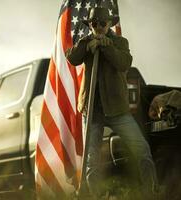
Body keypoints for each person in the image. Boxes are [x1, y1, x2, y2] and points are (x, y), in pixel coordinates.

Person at [65, 7, 158, 200]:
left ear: (109, 24)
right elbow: (72, 57)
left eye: (102, 23)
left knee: (141, 148)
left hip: (117, 110)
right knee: (91, 160)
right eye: (94, 24)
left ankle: (150, 192)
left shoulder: (120, 42)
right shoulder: (85, 41)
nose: (98, 27)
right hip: (92, 111)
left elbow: (124, 63)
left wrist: (107, 47)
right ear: (90, 25)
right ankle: (96, 196)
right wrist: (86, 46)